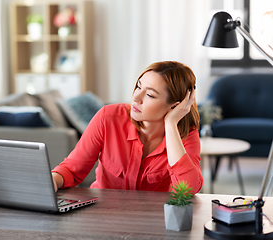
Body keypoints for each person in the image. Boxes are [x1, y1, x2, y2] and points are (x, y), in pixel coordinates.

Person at [52, 61, 203, 194]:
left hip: (153, 221)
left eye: (150, 95)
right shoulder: (108, 118)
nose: (136, 98)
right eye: (138, 87)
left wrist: (171, 124)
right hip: (104, 214)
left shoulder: (186, 134)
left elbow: (188, 190)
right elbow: (72, 169)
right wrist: (52, 180)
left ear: (175, 106)